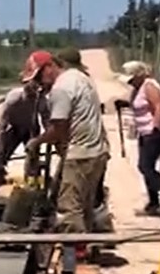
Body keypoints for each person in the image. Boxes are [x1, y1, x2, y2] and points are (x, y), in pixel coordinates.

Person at [26, 50, 111, 238]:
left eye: (40, 75)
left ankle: (75, 251)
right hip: (97, 151)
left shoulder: (61, 88)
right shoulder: (81, 78)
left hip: (80, 154)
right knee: (84, 204)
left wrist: (36, 142)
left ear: (50, 67)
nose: (39, 81)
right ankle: (86, 243)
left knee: (69, 207)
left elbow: (58, 129)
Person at [120, 60, 160, 216]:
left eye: (132, 79)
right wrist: (125, 104)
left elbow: (158, 106)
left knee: (145, 166)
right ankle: (154, 203)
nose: (130, 82)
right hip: (144, 132)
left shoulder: (149, 86)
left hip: (156, 131)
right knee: (147, 167)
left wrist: (155, 128)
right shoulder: (137, 88)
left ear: (139, 75)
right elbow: (140, 105)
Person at [0, 55, 45, 172]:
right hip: (14, 128)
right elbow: (2, 122)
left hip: (31, 128)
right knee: (1, 155)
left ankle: (32, 175)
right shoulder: (14, 97)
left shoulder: (40, 99)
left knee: (32, 155)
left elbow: (46, 119)